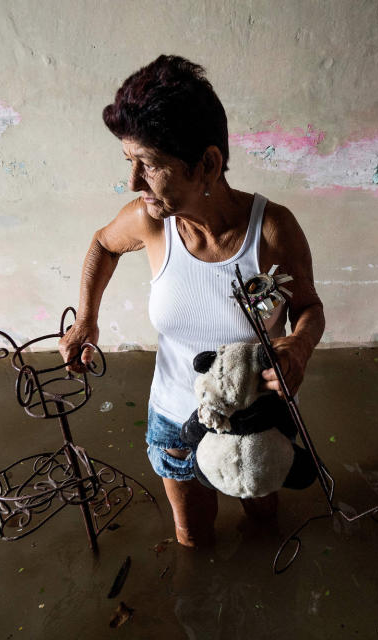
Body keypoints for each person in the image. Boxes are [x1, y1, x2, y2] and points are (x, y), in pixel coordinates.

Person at [58, 55, 325, 547]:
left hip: (255, 415)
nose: (134, 182)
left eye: (150, 165)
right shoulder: (149, 221)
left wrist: (299, 347)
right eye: (129, 162)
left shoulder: (271, 230)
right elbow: (102, 244)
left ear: (208, 163)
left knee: (265, 523)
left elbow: (308, 307)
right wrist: (86, 321)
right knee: (194, 541)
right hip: (173, 416)